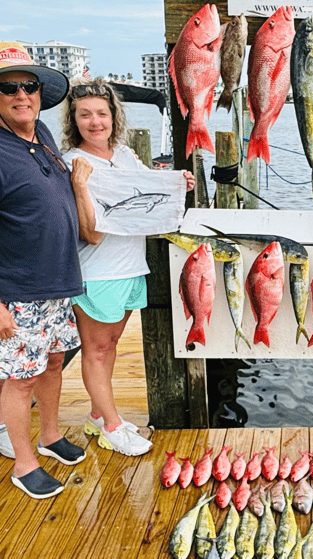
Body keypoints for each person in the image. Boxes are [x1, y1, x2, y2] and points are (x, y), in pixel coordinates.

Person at [61, 78, 194, 456]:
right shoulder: (72, 162)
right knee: (96, 350)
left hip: (131, 266)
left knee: (111, 346)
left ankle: (97, 415)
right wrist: (81, 186)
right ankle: (114, 427)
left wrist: (174, 183)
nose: (94, 121)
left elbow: (145, 193)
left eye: (101, 113)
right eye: (84, 114)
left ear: (113, 116)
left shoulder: (124, 155)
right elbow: (90, 233)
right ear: (73, 120)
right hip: (98, 272)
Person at [0, 41, 86, 498]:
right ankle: (24, 462)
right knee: (21, 377)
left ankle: (50, 436)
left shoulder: (43, 135)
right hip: (18, 290)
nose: (21, 95)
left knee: (54, 361)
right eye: (8, 87)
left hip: (56, 283)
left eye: (28, 86)